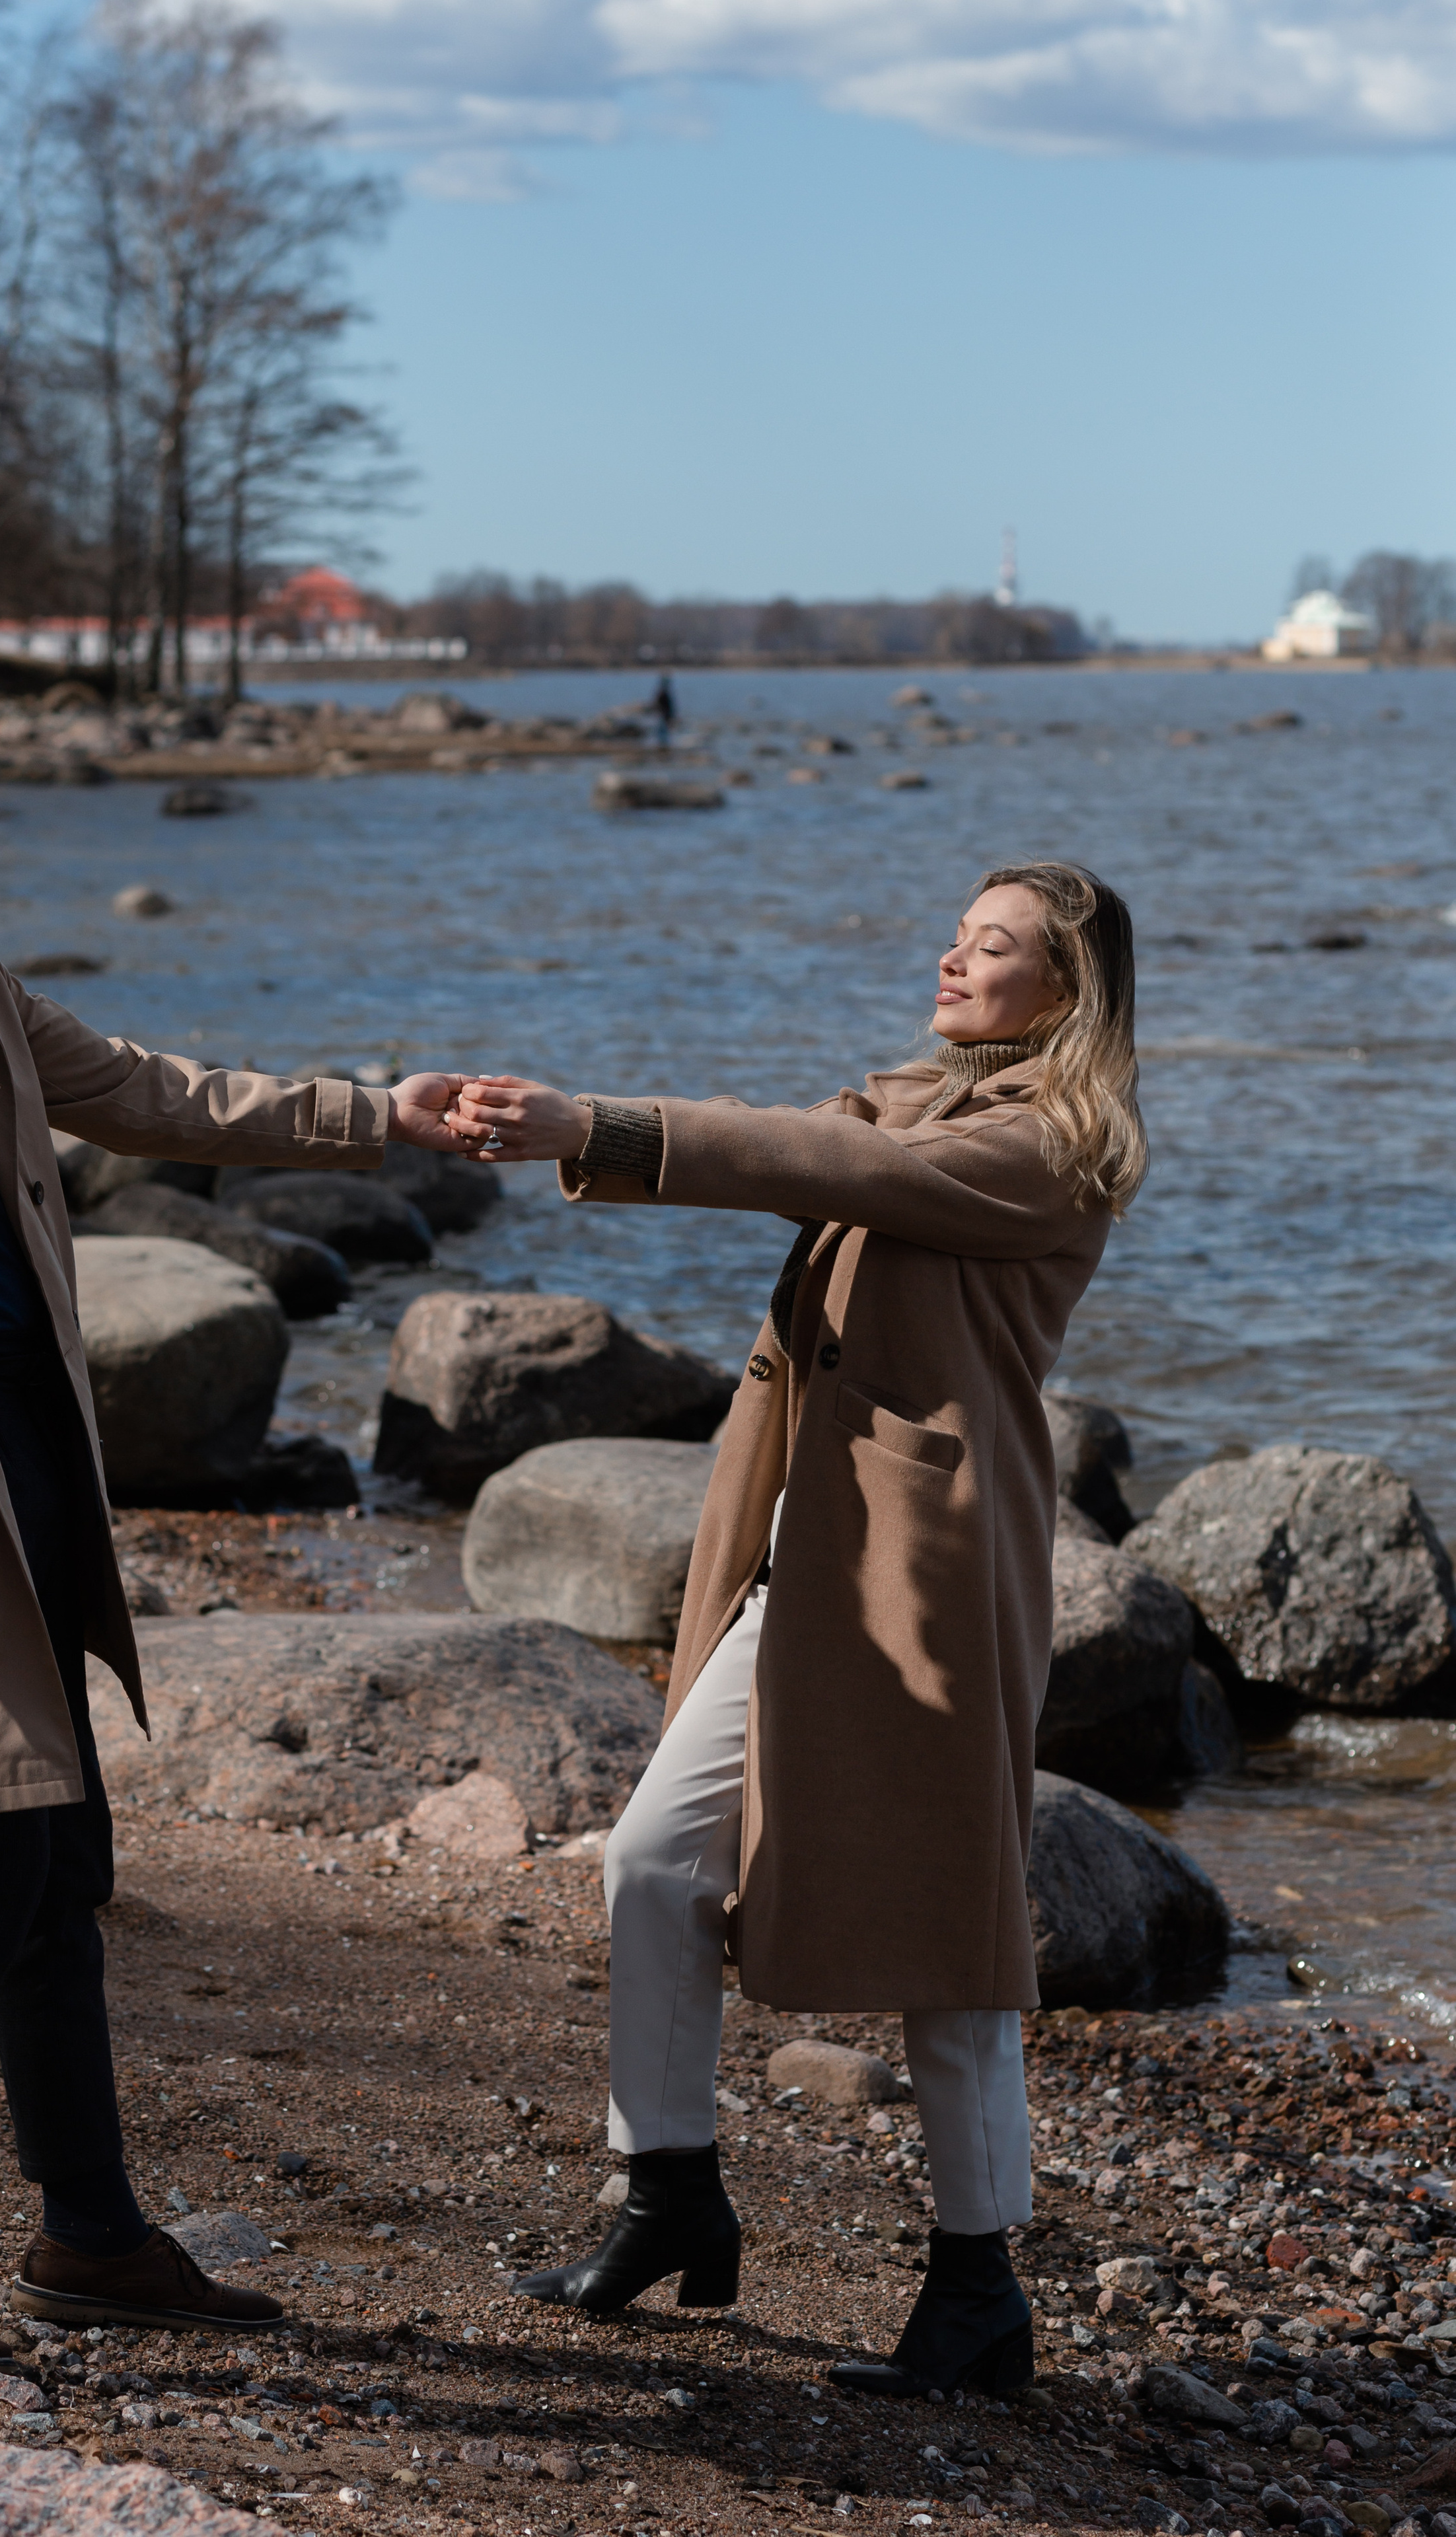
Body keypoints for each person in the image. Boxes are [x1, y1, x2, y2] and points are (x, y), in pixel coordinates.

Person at [0, 609, 474, 2377]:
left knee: (55, 1861)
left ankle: (87, 2233)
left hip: (29, 1484)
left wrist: (381, 1111)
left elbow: (145, 1093)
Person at [448, 862, 1146, 2399]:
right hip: (800, 1553)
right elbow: (834, 1143)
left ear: (1065, 993)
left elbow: (815, 1165)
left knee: (950, 1948)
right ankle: (669, 2193)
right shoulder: (914, 1103)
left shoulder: (1050, 1148)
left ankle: (976, 2297)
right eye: (956, 935)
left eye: (993, 949)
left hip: (930, 1579)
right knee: (649, 1862)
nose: (952, 961)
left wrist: (592, 1128)